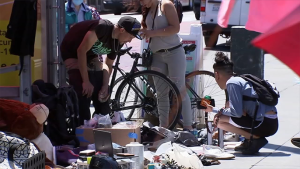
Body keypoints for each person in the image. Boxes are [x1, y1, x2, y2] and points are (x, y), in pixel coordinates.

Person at [60, 16, 142, 125]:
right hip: (71, 51)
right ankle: (82, 125)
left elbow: (108, 65)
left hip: (90, 54)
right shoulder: (102, 27)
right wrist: (86, 81)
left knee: (100, 88)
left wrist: (105, 86)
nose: (130, 41)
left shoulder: (118, 42)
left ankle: (102, 121)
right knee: (84, 88)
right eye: (131, 36)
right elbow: (81, 51)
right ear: (122, 30)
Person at [204, 52, 278, 155]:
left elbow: (237, 113)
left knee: (219, 120)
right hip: (270, 122)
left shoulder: (232, 83)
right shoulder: (239, 80)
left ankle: (254, 138)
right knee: (227, 107)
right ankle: (251, 138)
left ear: (216, 74)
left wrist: (213, 110)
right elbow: (242, 111)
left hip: (265, 124)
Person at [139, 0, 193, 130]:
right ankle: (163, 127)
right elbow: (148, 29)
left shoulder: (165, 5)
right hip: (157, 55)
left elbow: (176, 27)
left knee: (179, 90)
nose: (141, 2)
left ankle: (188, 127)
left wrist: (153, 33)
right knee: (161, 93)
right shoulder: (148, 9)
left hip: (174, 52)